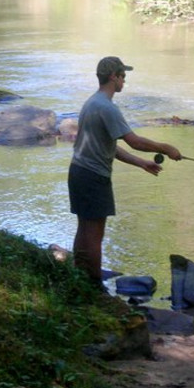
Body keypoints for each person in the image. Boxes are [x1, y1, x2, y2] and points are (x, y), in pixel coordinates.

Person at [68, 56, 182, 287]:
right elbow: (134, 141)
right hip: (92, 177)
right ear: (113, 77)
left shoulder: (92, 103)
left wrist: (142, 163)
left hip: (79, 172)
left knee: (85, 228)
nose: (124, 81)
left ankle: (79, 276)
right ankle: (94, 285)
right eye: (123, 76)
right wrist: (166, 148)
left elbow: (111, 147)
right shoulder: (107, 107)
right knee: (95, 233)